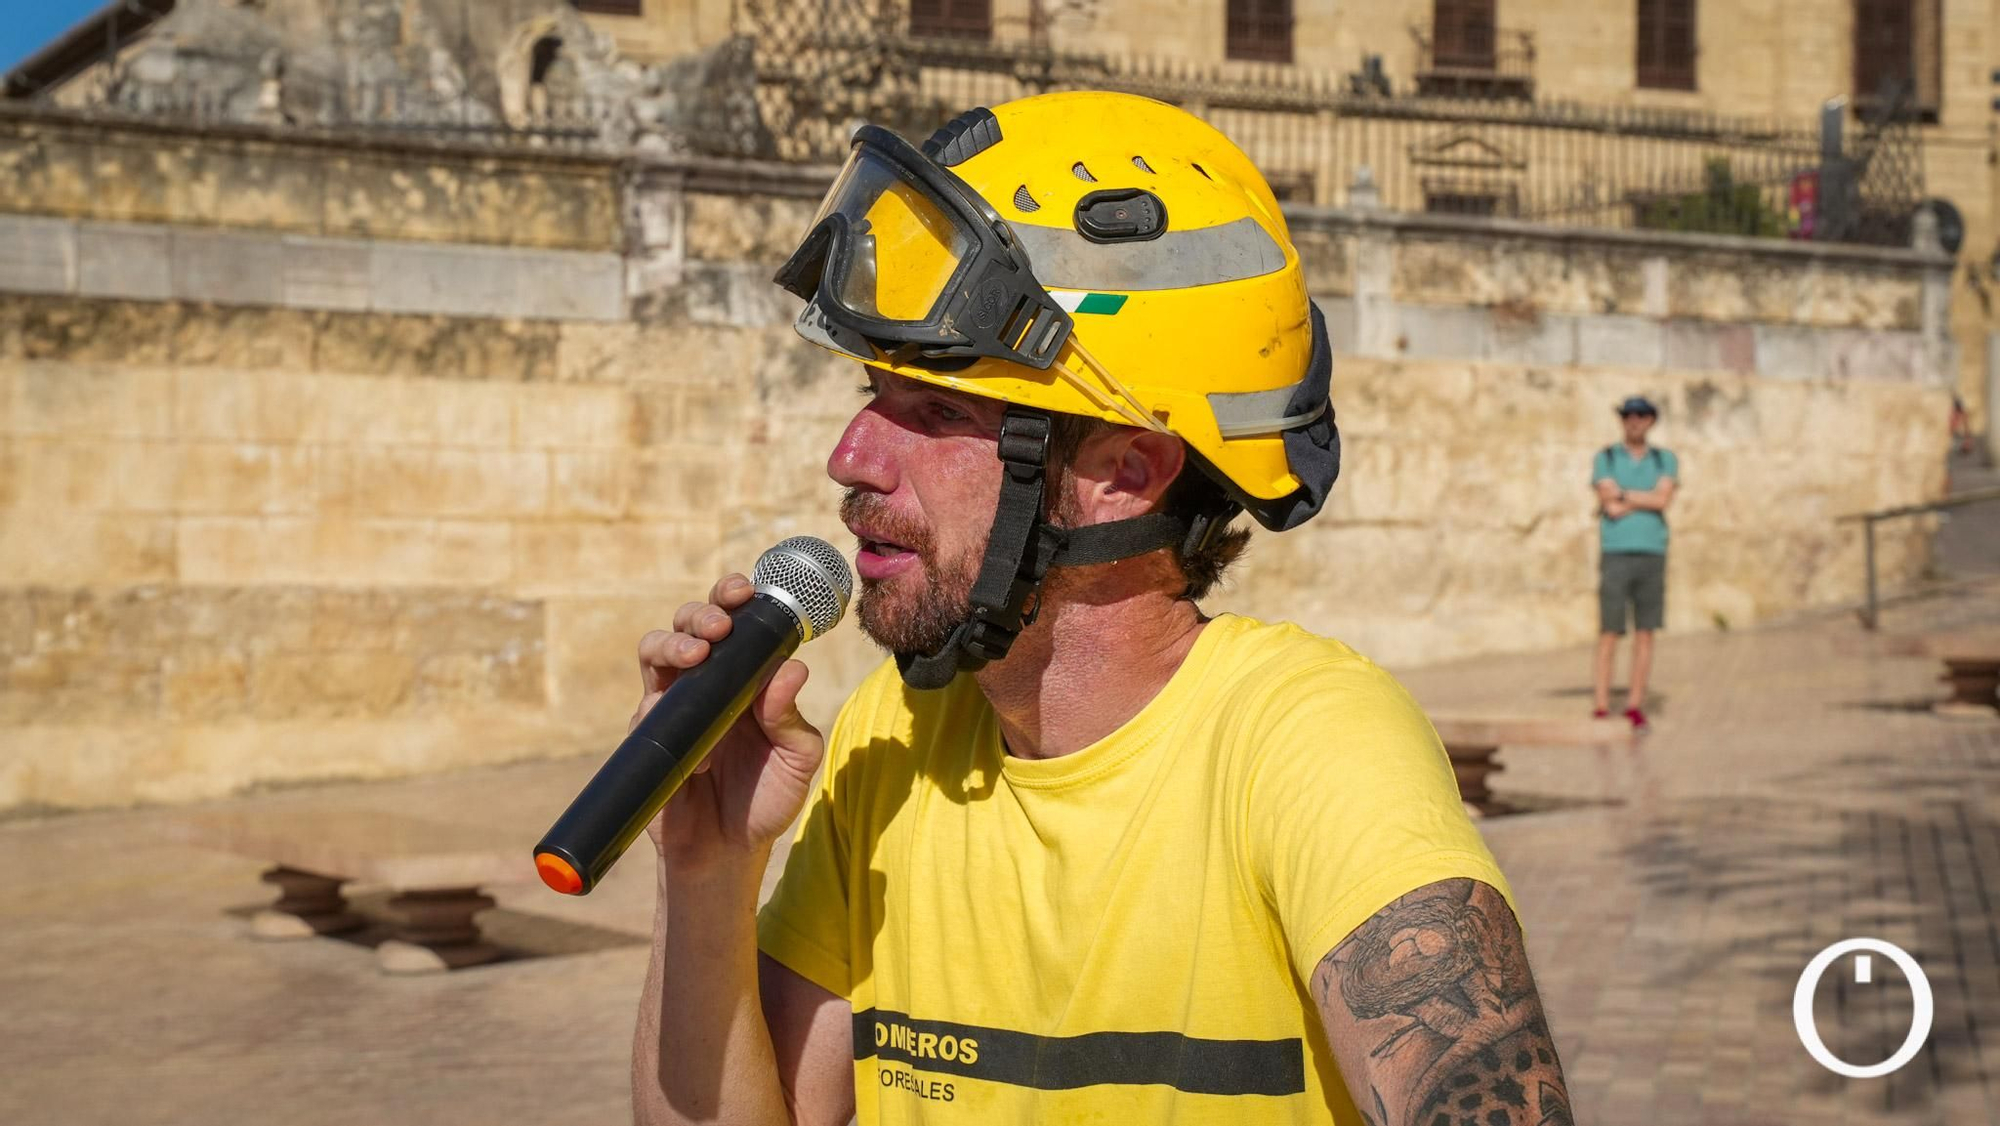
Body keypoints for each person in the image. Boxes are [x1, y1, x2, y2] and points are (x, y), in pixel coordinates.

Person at [632, 92, 1572, 1126]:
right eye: (870, 397)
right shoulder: (890, 741)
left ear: (1125, 472)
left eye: (937, 410)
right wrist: (708, 867)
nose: (849, 458)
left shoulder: (1304, 743)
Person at [1590, 396, 1678, 731]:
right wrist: (1646, 499)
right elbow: (1609, 505)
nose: (1635, 421)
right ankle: (1601, 703)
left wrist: (1624, 495)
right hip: (1616, 551)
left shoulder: (1664, 459)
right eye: (1629, 415)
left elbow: (1663, 500)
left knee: (1645, 631)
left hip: (1652, 551)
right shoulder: (1607, 457)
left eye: (1642, 415)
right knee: (1610, 630)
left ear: (1651, 420)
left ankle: (1634, 704)